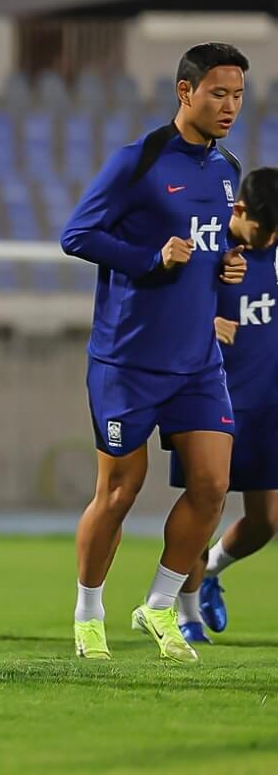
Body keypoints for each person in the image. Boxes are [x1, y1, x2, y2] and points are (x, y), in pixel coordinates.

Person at [61, 42, 249, 664]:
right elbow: (77, 234)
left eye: (238, 96)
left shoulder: (227, 170)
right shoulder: (137, 161)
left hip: (196, 360)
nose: (229, 106)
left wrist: (227, 266)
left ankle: (160, 605)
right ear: (184, 91)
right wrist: (150, 258)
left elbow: (209, 247)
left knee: (213, 486)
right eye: (218, 93)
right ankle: (89, 614)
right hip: (127, 360)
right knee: (119, 491)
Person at [168, 167, 278, 644]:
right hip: (206, 399)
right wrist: (203, 322)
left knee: (266, 521)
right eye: (265, 228)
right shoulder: (206, 246)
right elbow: (161, 306)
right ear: (239, 212)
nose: (271, 237)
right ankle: (187, 615)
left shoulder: (272, 253)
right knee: (204, 507)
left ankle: (212, 570)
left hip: (267, 408)